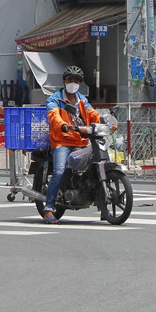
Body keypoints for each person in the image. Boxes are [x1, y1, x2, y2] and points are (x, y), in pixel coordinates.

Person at [42, 65, 102, 224]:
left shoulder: (83, 100)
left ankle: (101, 203)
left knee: (95, 165)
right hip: (62, 141)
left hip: (81, 140)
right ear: (64, 82)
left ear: (80, 84)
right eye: (70, 80)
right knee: (59, 171)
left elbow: (93, 114)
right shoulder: (54, 99)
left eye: (76, 81)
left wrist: (104, 121)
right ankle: (48, 208)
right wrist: (63, 125)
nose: (73, 83)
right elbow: (53, 116)